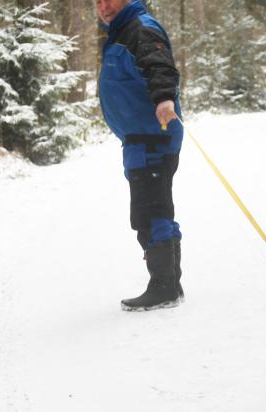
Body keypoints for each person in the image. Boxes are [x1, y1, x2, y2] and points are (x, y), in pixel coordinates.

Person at [96, 0, 184, 311]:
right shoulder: (123, 31)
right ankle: (170, 281)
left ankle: (163, 286)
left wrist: (163, 99)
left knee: (150, 213)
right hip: (142, 138)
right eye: (98, 1)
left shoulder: (140, 29)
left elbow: (158, 66)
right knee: (157, 208)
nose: (104, 6)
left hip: (153, 135)